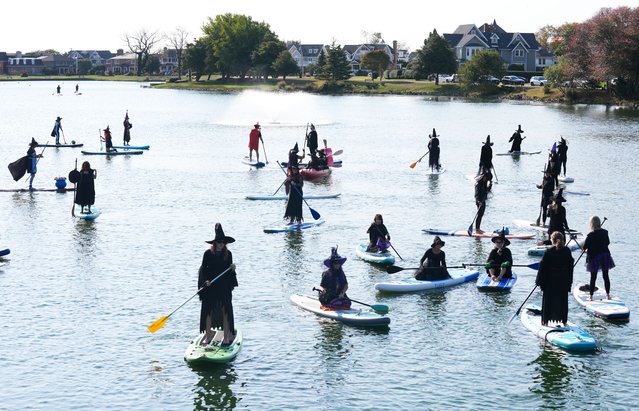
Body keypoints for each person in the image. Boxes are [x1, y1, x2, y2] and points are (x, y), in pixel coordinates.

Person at [198, 223, 238, 346]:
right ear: (214, 243)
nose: (221, 244)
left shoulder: (228, 254)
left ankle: (226, 338)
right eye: (219, 242)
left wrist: (232, 269)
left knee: (226, 310)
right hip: (210, 286)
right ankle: (208, 336)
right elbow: (203, 270)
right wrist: (206, 281)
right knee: (208, 310)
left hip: (224, 287)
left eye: (223, 242)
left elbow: (229, 273)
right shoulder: (207, 254)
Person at [535, 232, 574, 327]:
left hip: (550, 280)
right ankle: (564, 321)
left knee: (548, 300)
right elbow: (570, 268)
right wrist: (569, 282)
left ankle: (545, 322)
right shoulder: (567, 251)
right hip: (563, 279)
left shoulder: (548, 251)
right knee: (563, 301)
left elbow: (542, 268)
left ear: (552, 240)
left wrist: (538, 281)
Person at [583, 215, 615, 300]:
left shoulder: (590, 235)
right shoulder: (605, 232)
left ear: (591, 224)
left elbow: (585, 247)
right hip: (605, 256)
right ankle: (608, 295)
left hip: (594, 257)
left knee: (593, 277)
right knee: (606, 276)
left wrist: (586, 250)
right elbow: (607, 242)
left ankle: (591, 296)